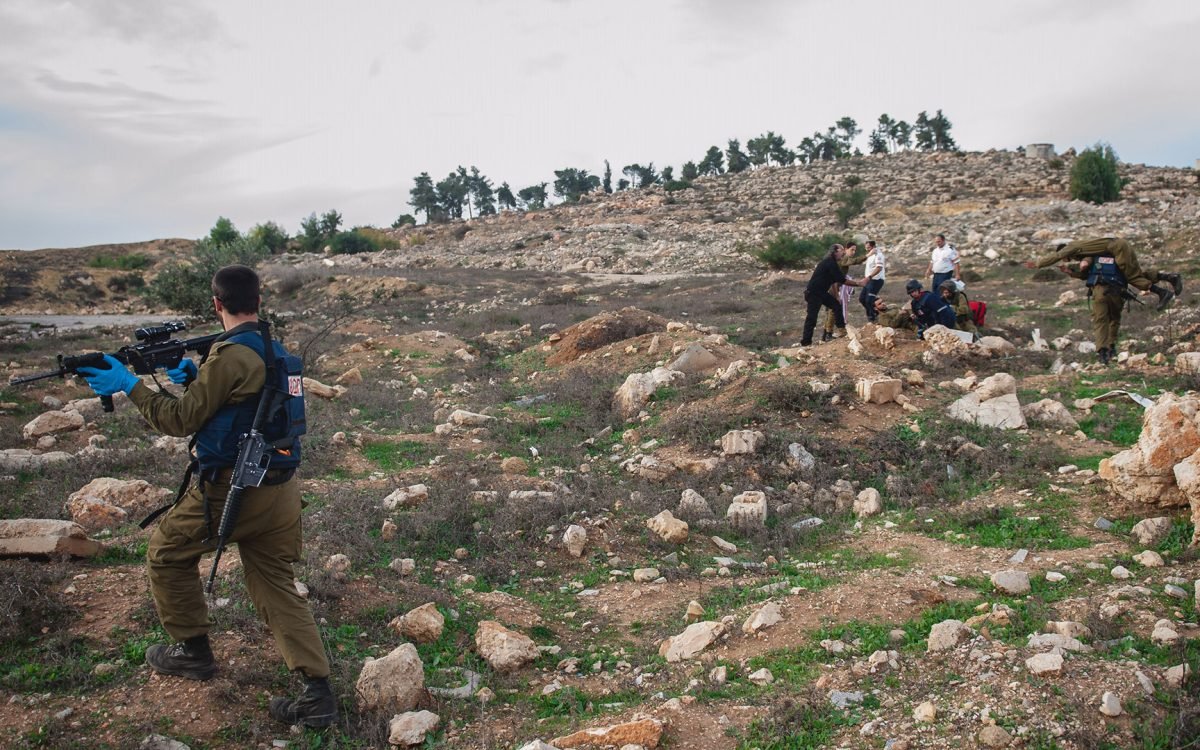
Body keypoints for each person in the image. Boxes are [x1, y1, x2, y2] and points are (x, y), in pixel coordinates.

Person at [76, 265, 336, 728]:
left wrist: (130, 385)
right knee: (274, 582)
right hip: (281, 490)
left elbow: (179, 421)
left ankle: (191, 650)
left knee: (166, 553)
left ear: (217, 304)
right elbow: (246, 405)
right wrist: (194, 375)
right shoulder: (275, 351)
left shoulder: (232, 356)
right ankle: (317, 693)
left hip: (233, 490)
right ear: (258, 300)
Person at [1024, 237, 1182, 310]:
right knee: (1137, 273)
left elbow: (1058, 256)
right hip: (1119, 246)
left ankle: (1162, 292)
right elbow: (1088, 264)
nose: (1066, 259)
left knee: (1130, 276)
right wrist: (1071, 272)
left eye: (1066, 259)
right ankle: (1169, 277)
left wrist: (1038, 264)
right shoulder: (1083, 248)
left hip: (1118, 248)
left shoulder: (1070, 247)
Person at [801, 244, 864, 346]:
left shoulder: (833, 263)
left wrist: (836, 296)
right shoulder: (829, 263)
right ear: (835, 251)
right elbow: (841, 280)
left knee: (836, 305)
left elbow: (834, 281)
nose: (843, 252)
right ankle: (806, 342)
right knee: (812, 318)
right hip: (814, 293)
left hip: (822, 293)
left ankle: (841, 330)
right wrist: (859, 283)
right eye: (841, 250)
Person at [822, 241, 860, 341]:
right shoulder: (842, 260)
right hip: (831, 287)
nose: (853, 252)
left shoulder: (832, 260)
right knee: (832, 310)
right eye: (852, 250)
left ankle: (826, 334)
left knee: (830, 311)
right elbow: (855, 261)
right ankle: (829, 334)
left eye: (855, 250)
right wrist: (868, 255)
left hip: (831, 286)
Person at [860, 240, 886, 322]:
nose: (867, 249)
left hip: (876, 280)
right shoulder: (870, 255)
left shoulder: (878, 255)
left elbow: (879, 268)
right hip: (869, 280)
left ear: (873, 246)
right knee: (862, 298)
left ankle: (872, 317)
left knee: (869, 300)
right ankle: (875, 310)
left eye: (869, 248)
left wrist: (869, 277)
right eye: (866, 248)